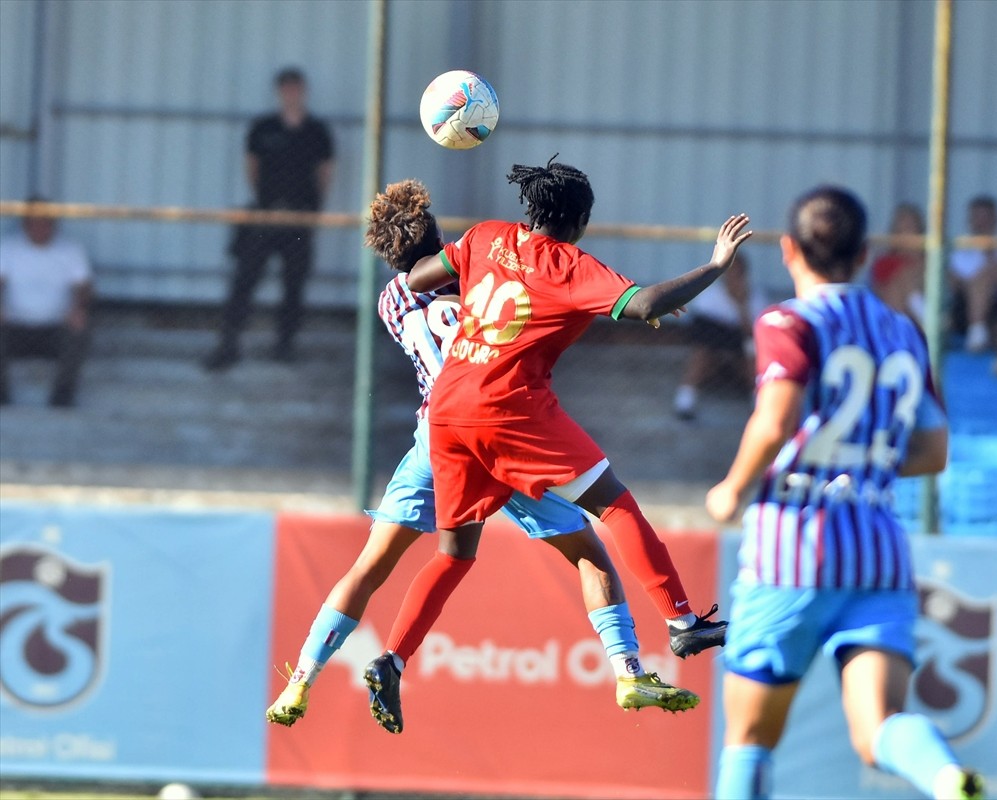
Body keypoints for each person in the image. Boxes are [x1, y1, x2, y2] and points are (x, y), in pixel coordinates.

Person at [266, 181, 698, 733]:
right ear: (438, 235)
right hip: (500, 430)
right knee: (591, 553)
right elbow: (501, 304)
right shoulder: (479, 269)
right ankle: (629, 669)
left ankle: (302, 678)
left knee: (372, 567)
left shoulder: (391, 300)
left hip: (434, 438)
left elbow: (436, 298)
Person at [373, 157, 745, 731]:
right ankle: (681, 621)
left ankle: (392, 659)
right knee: (613, 504)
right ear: (580, 219)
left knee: (454, 554)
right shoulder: (571, 266)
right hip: (508, 407)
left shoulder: (485, 236)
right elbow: (644, 303)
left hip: (446, 409)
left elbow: (419, 277)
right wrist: (716, 264)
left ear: (531, 208)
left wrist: (472, 275)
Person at [705, 186, 983, 800]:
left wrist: (731, 489)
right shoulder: (904, 331)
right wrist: (867, 467)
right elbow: (935, 453)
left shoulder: (787, 322)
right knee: (878, 727)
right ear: (863, 256)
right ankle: (945, 777)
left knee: (749, 737)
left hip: (792, 547)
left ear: (787, 251)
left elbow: (777, 418)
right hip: (880, 551)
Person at [204, 67, 335, 371]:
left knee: (294, 284)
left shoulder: (317, 131)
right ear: (279, 92)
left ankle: (284, 346)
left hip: (300, 217)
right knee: (244, 281)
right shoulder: (263, 128)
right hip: (264, 215)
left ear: (303, 91)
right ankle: (229, 345)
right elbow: (252, 167)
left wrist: (312, 210)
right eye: (286, 88)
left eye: (296, 88)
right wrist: (267, 204)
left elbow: (325, 172)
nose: (291, 93)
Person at [0, 203, 92, 407]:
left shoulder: (70, 250)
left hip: (55, 328)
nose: (39, 229)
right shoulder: (7, 248)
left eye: (45, 223)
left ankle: (62, 395)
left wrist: (78, 309)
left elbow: (83, 287)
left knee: (80, 331)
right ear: (24, 225)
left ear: (54, 225)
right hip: (15, 327)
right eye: (34, 223)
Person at [672, 252, 766, 420]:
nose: (732, 277)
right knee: (701, 353)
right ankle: (686, 400)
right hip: (713, 353)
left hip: (741, 354)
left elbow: (755, 334)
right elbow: (699, 331)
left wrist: (740, 304)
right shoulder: (710, 296)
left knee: (752, 354)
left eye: (736, 272)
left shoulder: (756, 299)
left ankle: (758, 403)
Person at [948, 195, 997, 375]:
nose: (981, 224)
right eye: (977, 218)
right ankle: (977, 329)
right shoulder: (961, 250)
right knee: (984, 279)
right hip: (963, 311)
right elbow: (953, 285)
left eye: (986, 218)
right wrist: (983, 281)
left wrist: (992, 260)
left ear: (996, 219)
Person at [870, 202, 926, 323]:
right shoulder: (884, 262)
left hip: (926, 302)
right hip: (895, 310)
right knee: (899, 283)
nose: (907, 234)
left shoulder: (931, 259)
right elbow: (880, 293)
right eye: (903, 228)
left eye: (911, 227)